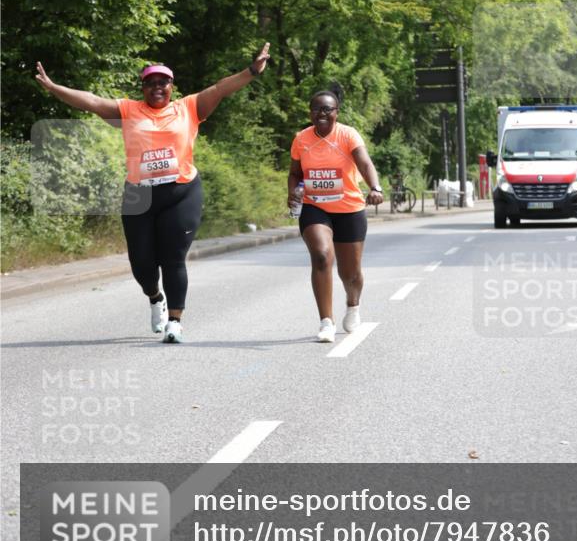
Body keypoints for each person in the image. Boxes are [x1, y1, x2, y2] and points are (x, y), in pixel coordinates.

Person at [35, 44, 270, 343]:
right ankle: (155, 296)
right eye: (150, 82)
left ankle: (175, 321)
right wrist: (54, 87)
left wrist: (251, 71)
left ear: (172, 86)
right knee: (142, 265)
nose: (157, 87)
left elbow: (221, 88)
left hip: (181, 192)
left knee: (174, 259)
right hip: (139, 195)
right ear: (143, 88)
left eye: (163, 82)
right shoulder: (127, 110)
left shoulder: (189, 107)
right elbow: (91, 101)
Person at [287, 87, 384, 343]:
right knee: (321, 256)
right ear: (310, 113)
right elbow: (295, 173)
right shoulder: (301, 139)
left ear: (336, 112)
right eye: (316, 109)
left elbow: (365, 163)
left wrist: (375, 188)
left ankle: (353, 305)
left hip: (349, 209)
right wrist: (292, 192)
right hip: (314, 206)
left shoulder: (347, 135)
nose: (321, 113)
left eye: (327, 109)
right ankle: (326, 322)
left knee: (350, 274)